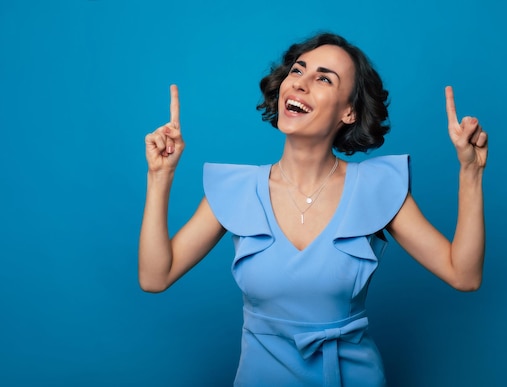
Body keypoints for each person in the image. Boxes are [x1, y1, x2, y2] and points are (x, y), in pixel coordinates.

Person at [139, 33, 487, 386]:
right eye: (297, 71)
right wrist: (159, 175)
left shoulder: (375, 188)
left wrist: (471, 172)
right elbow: (155, 277)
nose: (300, 84)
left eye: (323, 78)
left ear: (349, 111)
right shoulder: (237, 190)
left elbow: (464, 274)